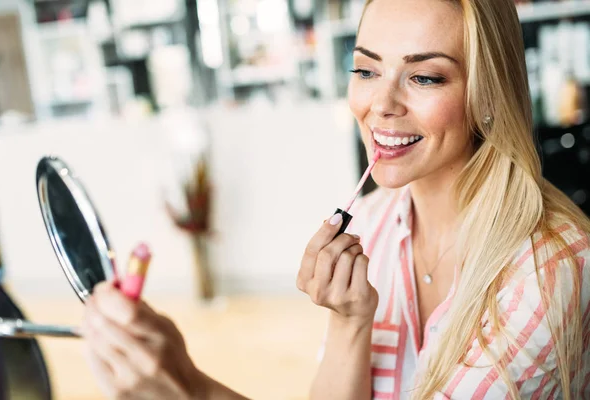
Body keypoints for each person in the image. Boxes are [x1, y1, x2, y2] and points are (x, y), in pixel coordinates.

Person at [81, 0, 590, 398]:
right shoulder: (370, 222)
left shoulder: (550, 268)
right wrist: (349, 322)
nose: (380, 105)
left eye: (424, 76)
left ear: (488, 94)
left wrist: (189, 389)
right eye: (366, 71)